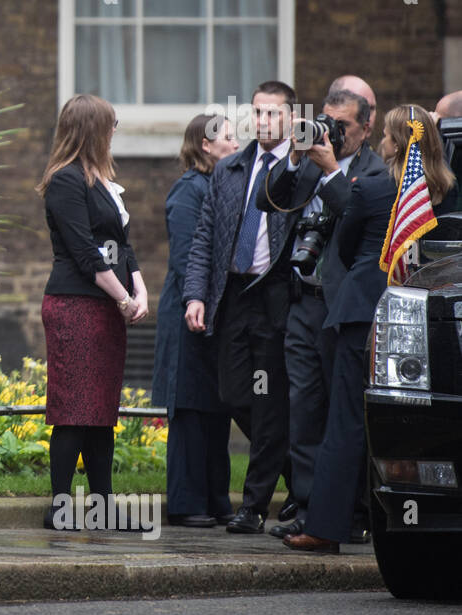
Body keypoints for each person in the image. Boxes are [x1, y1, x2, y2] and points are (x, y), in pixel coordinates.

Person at [286, 105, 456, 552]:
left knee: (344, 421)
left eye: (385, 135)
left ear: (397, 143)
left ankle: (323, 527)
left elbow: (343, 244)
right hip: (415, 315)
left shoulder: (377, 185)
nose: (379, 142)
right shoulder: (440, 189)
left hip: (362, 312)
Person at [257, 86, 382, 540]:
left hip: (343, 309)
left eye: (342, 125)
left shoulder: (372, 170)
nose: (331, 131)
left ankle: (352, 513)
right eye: (326, 120)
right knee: (304, 410)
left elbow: (357, 218)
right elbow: (265, 202)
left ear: (367, 127)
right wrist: (292, 159)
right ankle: (310, 509)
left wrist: (331, 172)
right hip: (301, 303)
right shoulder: (307, 160)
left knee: (342, 413)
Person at [184, 81, 301, 535]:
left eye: (273, 113)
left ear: (291, 118)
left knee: (269, 402)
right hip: (233, 295)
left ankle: (252, 507)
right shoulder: (230, 169)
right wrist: (195, 294)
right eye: (258, 112)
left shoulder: (300, 168)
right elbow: (204, 239)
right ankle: (297, 470)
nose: (264, 121)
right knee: (235, 394)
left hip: (276, 297)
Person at [38, 95, 146, 528]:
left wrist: (138, 288)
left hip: (104, 306)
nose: (115, 129)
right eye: (111, 123)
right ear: (91, 130)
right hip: (74, 307)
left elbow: (124, 244)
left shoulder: (101, 182)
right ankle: (59, 508)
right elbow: (86, 252)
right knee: (74, 410)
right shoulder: (65, 181)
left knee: (101, 413)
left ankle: (103, 510)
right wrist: (123, 297)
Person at [152, 114, 237, 527]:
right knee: (189, 407)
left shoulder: (218, 186)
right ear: (205, 144)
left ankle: (216, 497)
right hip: (189, 310)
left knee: (214, 406)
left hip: (213, 311)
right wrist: (197, 301)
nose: (237, 143)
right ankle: (187, 502)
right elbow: (189, 258)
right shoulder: (189, 190)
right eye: (228, 136)